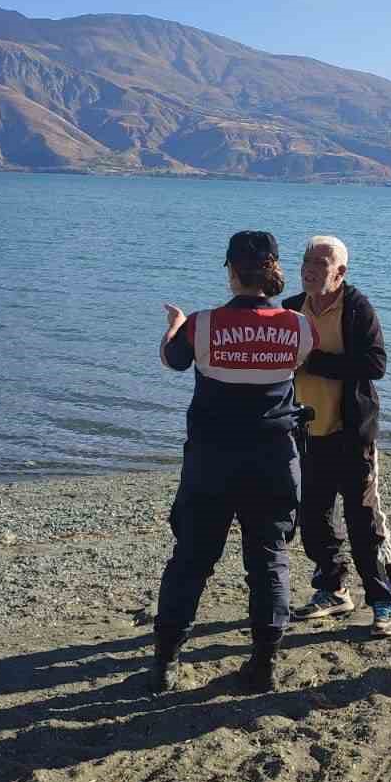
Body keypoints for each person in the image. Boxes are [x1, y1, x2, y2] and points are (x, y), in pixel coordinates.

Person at [151, 231, 318, 694]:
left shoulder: (202, 325)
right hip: (274, 458)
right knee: (268, 559)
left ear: (230, 271)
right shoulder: (300, 326)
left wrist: (176, 323)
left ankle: (165, 663)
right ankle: (264, 663)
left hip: (212, 461)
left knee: (191, 559)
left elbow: (172, 359)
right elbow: (296, 363)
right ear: (273, 270)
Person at [282, 235, 391, 636]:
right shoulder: (289, 310)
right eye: (306, 260)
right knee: (314, 521)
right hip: (306, 433)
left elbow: (375, 363)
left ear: (340, 271)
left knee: (362, 521)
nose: (310, 267)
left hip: (351, 433)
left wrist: (312, 361)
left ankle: (384, 601)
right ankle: (333, 590)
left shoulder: (356, 307)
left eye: (321, 261)